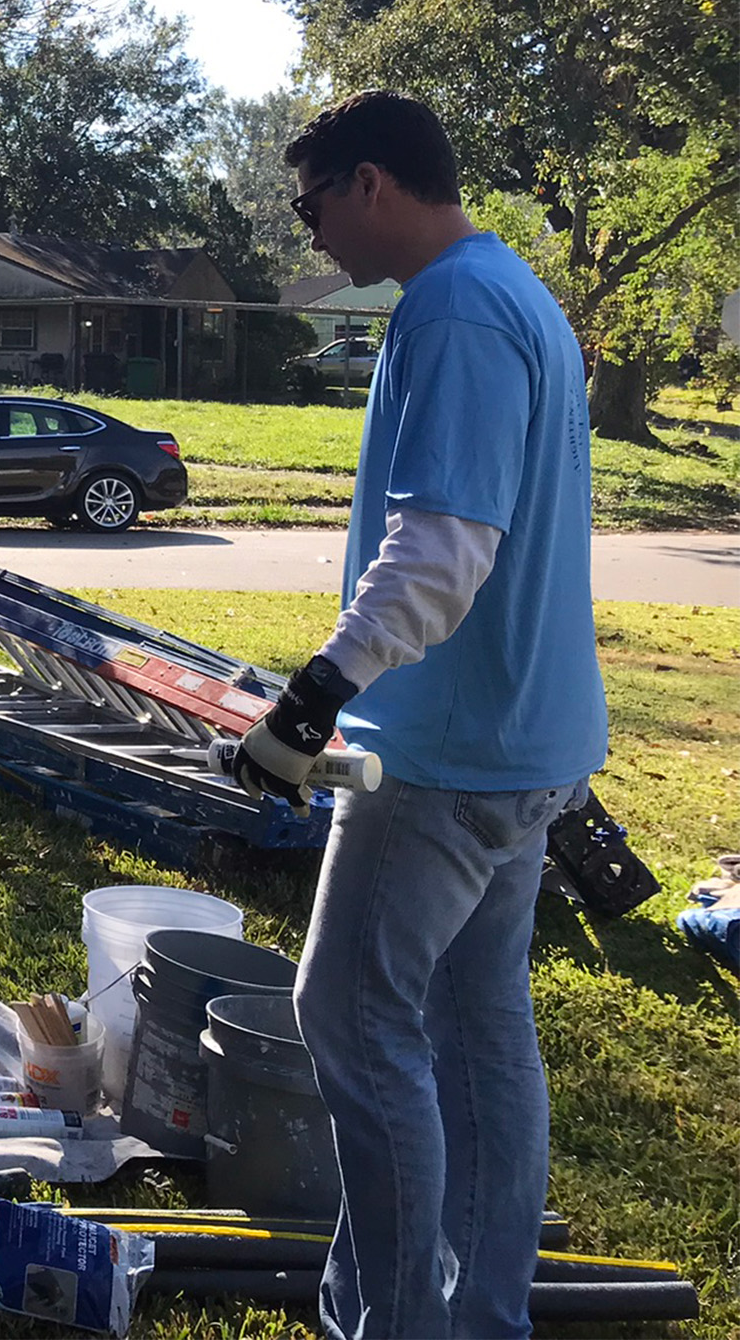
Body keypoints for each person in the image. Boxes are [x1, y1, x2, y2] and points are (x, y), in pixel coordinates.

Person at [220, 90, 606, 1339]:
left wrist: (311, 699)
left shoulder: (453, 309)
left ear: (373, 184)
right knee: (479, 1032)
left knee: (351, 1017)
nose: (311, 229)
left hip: (443, 757)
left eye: (312, 202)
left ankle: (396, 1327)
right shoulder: (519, 295)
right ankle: (478, 1317)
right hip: (525, 745)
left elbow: (442, 552)